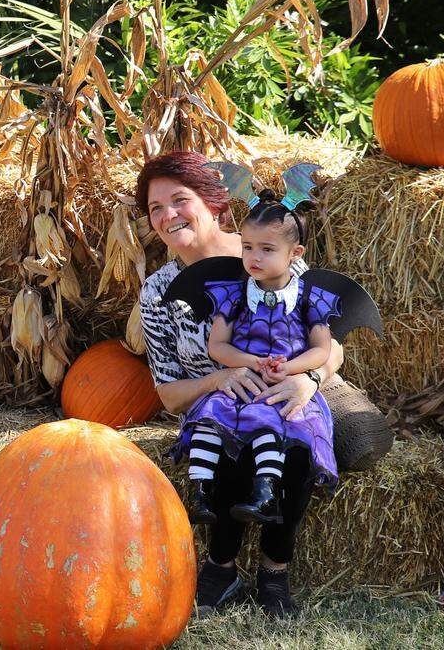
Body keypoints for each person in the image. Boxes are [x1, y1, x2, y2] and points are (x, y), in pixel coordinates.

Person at [136, 151, 355, 618]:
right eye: (156, 208)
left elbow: (330, 346)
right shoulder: (158, 291)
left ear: (213, 202)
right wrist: (219, 378)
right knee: (229, 441)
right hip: (221, 395)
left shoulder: (265, 247)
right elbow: (169, 395)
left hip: (289, 382)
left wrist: (308, 382)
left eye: (180, 200)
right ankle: (221, 567)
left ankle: (275, 571)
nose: (168, 215)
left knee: (295, 446)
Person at [173, 188, 338, 529]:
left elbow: (322, 349)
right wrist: (250, 361)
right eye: (247, 247)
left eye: (267, 249)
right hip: (242, 383)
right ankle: (201, 492)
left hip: (285, 387)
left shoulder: (309, 297)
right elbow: (217, 346)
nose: (254, 257)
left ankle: (266, 493)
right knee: (208, 420)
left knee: (271, 424)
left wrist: (290, 368)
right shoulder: (233, 293)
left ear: (295, 253)